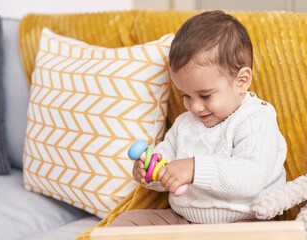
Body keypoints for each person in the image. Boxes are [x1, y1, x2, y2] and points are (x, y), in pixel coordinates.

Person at [110, 10, 287, 226]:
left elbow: (251, 177)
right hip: (184, 219)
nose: (194, 106)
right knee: (126, 223)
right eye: (185, 95)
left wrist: (194, 169)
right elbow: (167, 165)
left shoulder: (256, 117)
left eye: (205, 95)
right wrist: (150, 172)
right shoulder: (185, 123)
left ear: (241, 80)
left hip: (245, 221)